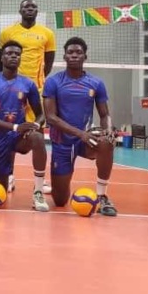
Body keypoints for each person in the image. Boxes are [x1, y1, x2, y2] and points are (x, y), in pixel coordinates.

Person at [42, 37, 118, 217]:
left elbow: (105, 114)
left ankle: (102, 195)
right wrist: (80, 133)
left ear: (85, 56)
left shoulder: (96, 83)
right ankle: (57, 185)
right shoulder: (54, 82)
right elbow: (51, 117)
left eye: (78, 52)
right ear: (65, 56)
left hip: (86, 140)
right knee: (60, 201)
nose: (74, 55)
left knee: (106, 142)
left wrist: (108, 128)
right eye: (70, 52)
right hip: (62, 143)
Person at [0, 41, 49, 212]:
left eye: (17, 54)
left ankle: (38, 191)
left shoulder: (28, 84)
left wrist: (35, 124)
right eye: (9, 53)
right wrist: (14, 127)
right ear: (1, 58)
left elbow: (41, 114)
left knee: (38, 138)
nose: (13, 56)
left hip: (19, 138)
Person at [0, 0, 56, 192]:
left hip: (36, 90)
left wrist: (35, 83)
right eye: (26, 6)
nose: (30, 9)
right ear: (20, 10)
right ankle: (9, 175)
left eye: (33, 6)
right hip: (12, 91)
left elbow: (48, 62)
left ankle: (40, 180)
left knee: (37, 131)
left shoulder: (47, 33)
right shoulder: (8, 33)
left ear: (37, 11)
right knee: (12, 131)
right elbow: (2, 59)